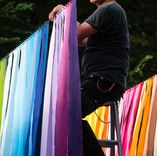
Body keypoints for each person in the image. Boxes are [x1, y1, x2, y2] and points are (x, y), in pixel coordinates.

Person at [49, 0, 130, 155]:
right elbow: (81, 39)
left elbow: (78, 33)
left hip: (103, 81)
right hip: (101, 80)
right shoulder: (109, 11)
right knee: (63, 114)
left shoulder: (108, 9)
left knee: (65, 114)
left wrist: (65, 13)